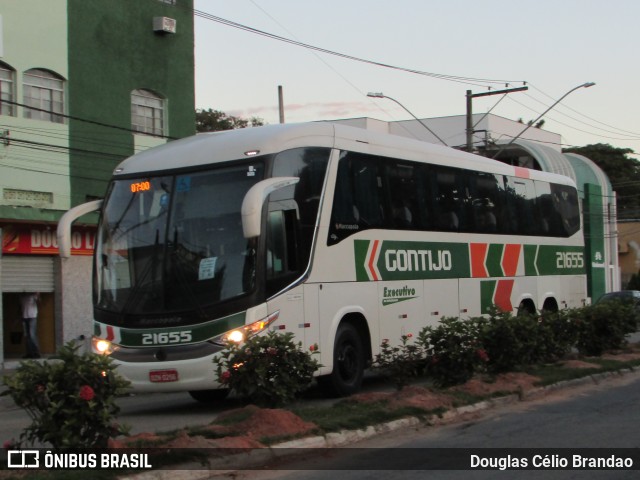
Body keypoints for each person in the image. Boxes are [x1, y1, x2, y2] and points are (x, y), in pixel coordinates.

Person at [19, 292, 40, 359]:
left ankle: (36, 352)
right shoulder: (22, 296)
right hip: (24, 317)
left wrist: (38, 294)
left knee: (32, 335)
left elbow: (39, 301)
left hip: (32, 317)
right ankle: (29, 353)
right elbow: (20, 306)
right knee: (27, 336)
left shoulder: (33, 296)